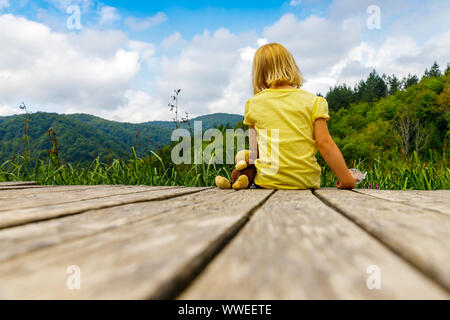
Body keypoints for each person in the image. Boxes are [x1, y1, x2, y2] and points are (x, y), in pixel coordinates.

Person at [244, 43, 356, 189]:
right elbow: (325, 144)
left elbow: (256, 150)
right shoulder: (314, 102)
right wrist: (347, 179)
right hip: (305, 183)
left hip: (267, 183)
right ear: (291, 65)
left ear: (259, 71)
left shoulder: (253, 104)